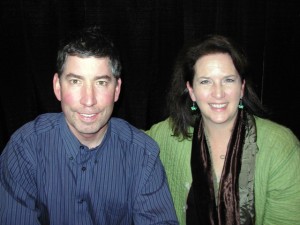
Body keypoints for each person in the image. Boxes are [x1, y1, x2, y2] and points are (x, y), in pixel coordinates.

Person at [0, 26, 179, 225]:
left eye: (101, 83)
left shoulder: (143, 154)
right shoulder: (24, 149)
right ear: (57, 87)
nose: (88, 100)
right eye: (76, 81)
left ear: (117, 89)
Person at [146, 35, 300, 225]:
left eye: (228, 80)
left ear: (242, 87)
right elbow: (125, 145)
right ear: (191, 91)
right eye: (205, 82)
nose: (218, 93)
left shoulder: (280, 146)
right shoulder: (168, 134)